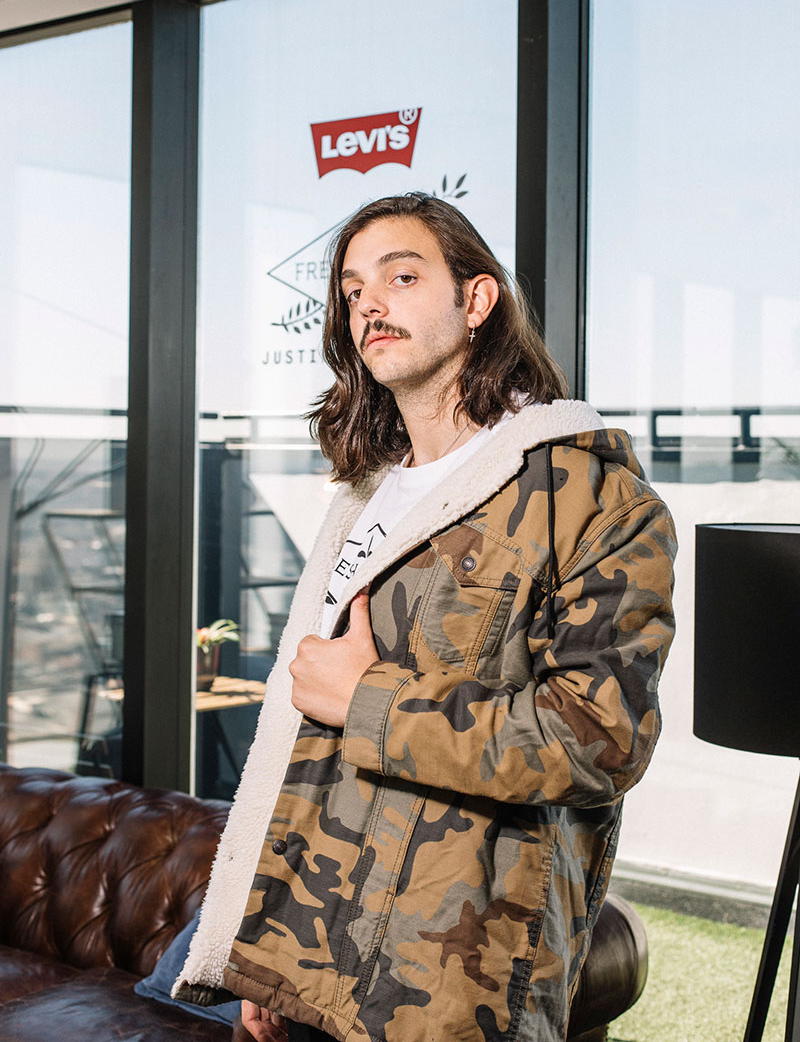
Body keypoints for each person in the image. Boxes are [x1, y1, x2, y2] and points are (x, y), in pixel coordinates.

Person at [175, 193, 676, 1042]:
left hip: (446, 984)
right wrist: (269, 940)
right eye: (352, 290)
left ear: (476, 300)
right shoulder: (365, 494)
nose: (369, 303)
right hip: (311, 952)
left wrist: (366, 698)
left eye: (401, 277)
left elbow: (599, 740)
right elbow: (305, 745)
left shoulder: (594, 498)